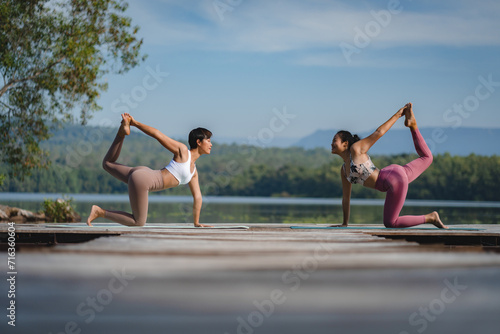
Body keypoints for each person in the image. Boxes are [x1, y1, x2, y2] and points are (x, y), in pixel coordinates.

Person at [330, 103, 448, 229]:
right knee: (427, 158)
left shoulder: (356, 149)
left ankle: (431, 218)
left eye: (334, 140)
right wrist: (345, 223)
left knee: (390, 223)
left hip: (392, 179)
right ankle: (413, 125)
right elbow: (346, 198)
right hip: (393, 175)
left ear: (345, 144)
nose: (331, 143)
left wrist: (398, 114)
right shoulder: (343, 171)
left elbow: (379, 132)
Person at [87, 113, 213, 227]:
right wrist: (135, 123)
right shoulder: (183, 151)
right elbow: (157, 134)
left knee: (107, 164)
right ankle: (100, 212)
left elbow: (198, 197)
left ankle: (121, 133)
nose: (211, 144)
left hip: (144, 173)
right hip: (144, 180)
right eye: (208, 140)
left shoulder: (194, 172)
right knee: (138, 222)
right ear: (198, 142)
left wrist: (196, 222)